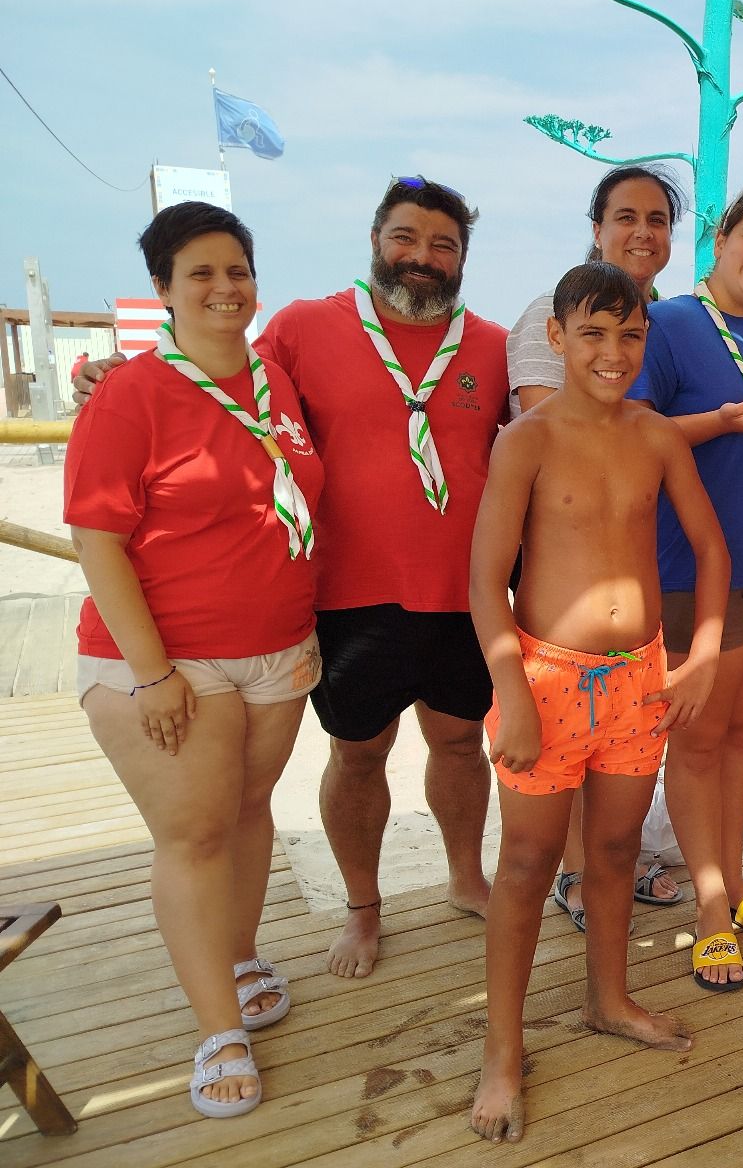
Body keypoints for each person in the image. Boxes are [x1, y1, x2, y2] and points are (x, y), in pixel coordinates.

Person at [71, 177, 509, 978]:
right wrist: (117, 371)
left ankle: (464, 877)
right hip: (345, 595)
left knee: (456, 745)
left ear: (462, 260)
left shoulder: (493, 345)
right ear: (376, 241)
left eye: (443, 244)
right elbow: (213, 378)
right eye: (405, 237)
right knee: (358, 755)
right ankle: (363, 907)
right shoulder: (308, 326)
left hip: (462, 596)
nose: (421, 257)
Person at [65, 202, 323, 1116]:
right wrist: (153, 672)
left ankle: (238, 954)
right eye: (202, 274)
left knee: (248, 813)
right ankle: (217, 1030)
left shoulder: (273, 383)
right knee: (195, 835)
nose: (225, 288)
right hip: (175, 661)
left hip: (279, 648)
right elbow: (97, 538)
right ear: (165, 290)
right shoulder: (131, 393)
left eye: (239, 270)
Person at [467, 262, 727, 1143]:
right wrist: (513, 690)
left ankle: (607, 999)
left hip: (640, 681)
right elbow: (483, 582)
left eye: (629, 334)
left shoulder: (656, 435)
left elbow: (710, 548)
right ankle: (502, 1052)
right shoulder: (527, 440)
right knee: (528, 867)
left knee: (615, 847)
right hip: (544, 678)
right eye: (593, 334)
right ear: (558, 338)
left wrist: (705, 652)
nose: (612, 352)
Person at [627, 181, 743, 988]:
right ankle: (707, 907)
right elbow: (624, 435)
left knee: (741, 735)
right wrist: (721, 423)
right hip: (692, 576)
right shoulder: (666, 325)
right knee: (698, 743)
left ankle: (733, 883)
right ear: (720, 235)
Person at [505, 164, 690, 928]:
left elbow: (637, 435)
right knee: (532, 845)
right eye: (626, 216)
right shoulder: (546, 319)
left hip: (637, 636)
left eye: (657, 219)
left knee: (616, 815)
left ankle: (603, 909)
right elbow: (577, 434)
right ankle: (572, 876)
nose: (642, 232)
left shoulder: (664, 323)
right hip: (555, 627)